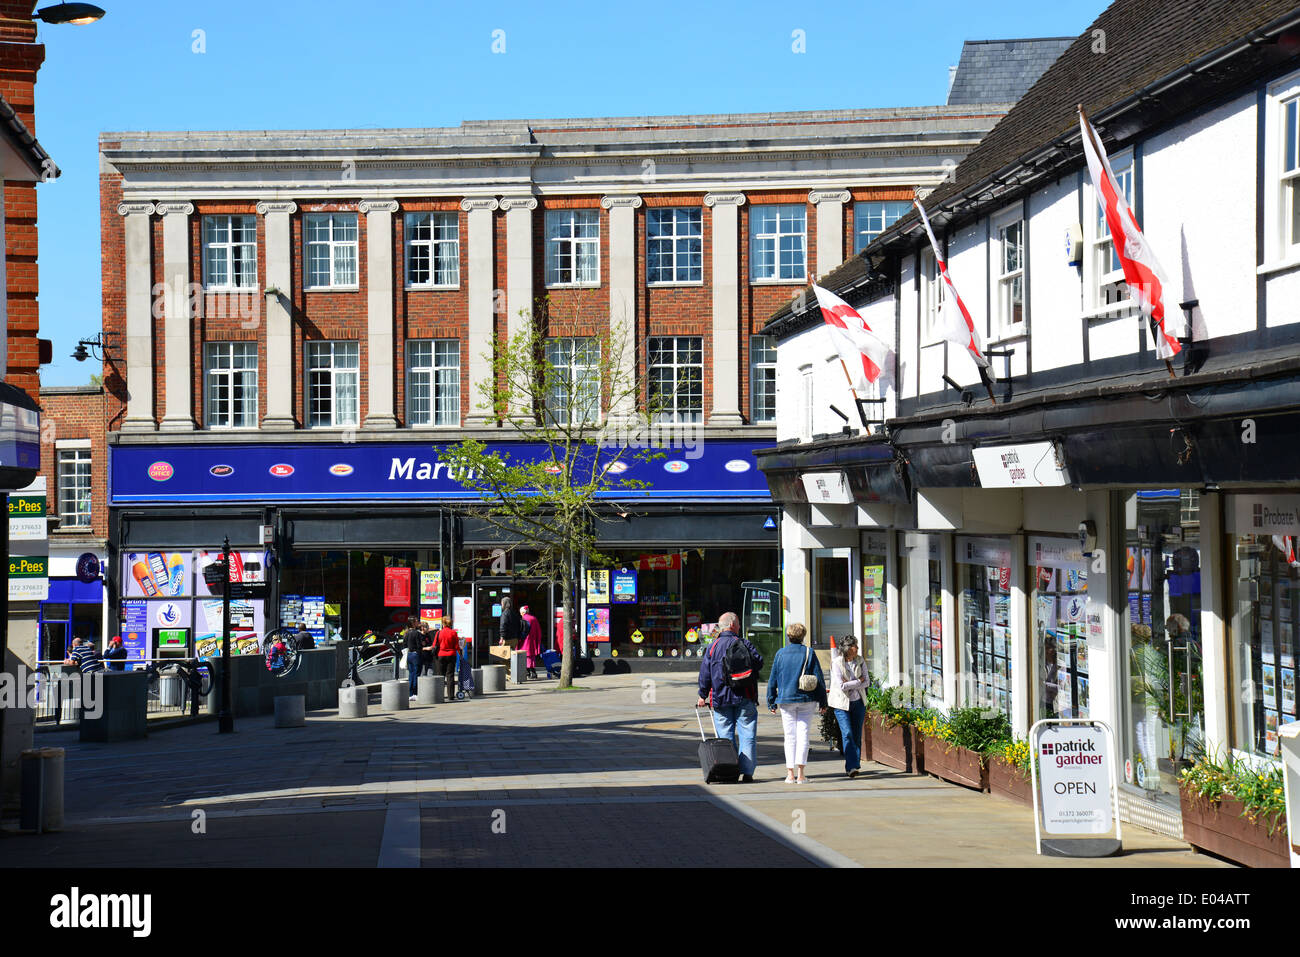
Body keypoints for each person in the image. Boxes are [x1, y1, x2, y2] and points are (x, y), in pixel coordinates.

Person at [696, 612, 763, 783]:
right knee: (747, 735)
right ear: (733, 624)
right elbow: (759, 662)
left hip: (721, 697)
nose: (740, 626)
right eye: (739, 623)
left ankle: (729, 771)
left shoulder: (713, 646)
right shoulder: (744, 643)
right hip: (745, 695)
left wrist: (703, 695)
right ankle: (747, 772)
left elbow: (705, 673)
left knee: (725, 737)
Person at [766, 623, 827, 784]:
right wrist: (823, 701)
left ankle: (789, 774)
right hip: (806, 698)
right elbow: (818, 677)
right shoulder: (809, 652)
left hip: (786, 699)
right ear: (803, 636)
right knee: (803, 734)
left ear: (788, 636)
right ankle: (801, 774)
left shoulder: (780, 653)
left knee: (790, 736)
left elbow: (773, 678)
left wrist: (771, 700)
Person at [827, 636, 868, 778]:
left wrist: (852, 683)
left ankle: (854, 764)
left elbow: (867, 682)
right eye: (854, 645)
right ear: (847, 648)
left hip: (858, 702)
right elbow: (841, 686)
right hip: (841, 704)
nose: (857, 648)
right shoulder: (837, 662)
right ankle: (851, 766)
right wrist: (858, 681)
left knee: (856, 734)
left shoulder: (860, 660)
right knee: (848, 734)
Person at [436, 617, 460, 700]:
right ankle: (451, 695)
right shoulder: (453, 633)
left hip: (441, 654)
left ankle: (439, 694)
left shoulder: (439, 632)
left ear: (443, 623)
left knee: (440, 675)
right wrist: (460, 654)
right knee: (450, 675)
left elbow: (435, 644)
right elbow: (457, 646)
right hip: (451, 655)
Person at [520, 604, 542, 680]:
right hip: (532, 641)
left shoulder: (522, 619)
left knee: (525, 657)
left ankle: (530, 673)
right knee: (531, 657)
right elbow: (538, 631)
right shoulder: (534, 619)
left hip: (524, 641)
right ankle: (532, 673)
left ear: (522, 613)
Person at [402, 620, 423, 697]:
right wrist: (419, 650)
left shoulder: (406, 633)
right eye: (416, 621)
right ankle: (415, 693)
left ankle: (410, 693)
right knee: (416, 673)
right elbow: (419, 645)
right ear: (413, 623)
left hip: (409, 654)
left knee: (411, 674)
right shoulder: (416, 633)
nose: (418, 623)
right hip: (415, 654)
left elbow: (404, 645)